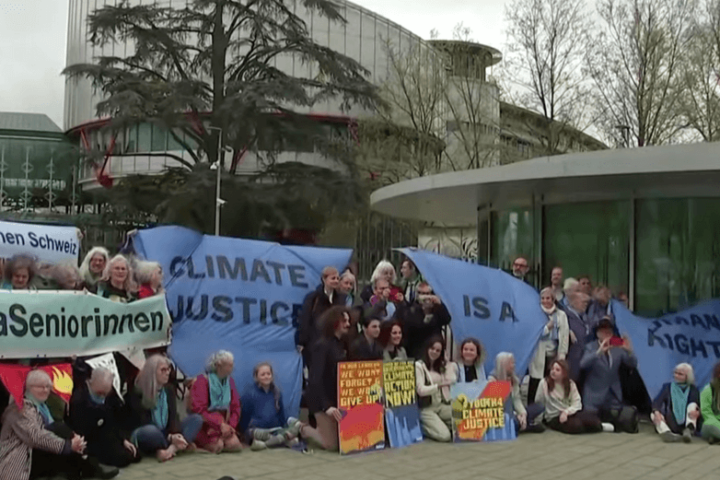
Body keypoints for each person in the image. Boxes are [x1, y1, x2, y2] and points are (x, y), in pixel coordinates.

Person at [0, 369, 116, 480]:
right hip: (17, 460)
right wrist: (67, 445)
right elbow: (36, 436)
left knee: (62, 430)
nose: (45, 390)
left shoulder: (41, 405)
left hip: (35, 452)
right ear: (29, 388)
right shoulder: (20, 409)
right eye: (40, 387)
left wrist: (72, 437)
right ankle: (89, 466)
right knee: (61, 433)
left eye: (47, 386)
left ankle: (87, 465)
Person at [128, 355, 203, 461]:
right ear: (152, 372)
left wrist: (175, 434)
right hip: (149, 432)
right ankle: (175, 446)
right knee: (151, 431)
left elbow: (173, 416)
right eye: (163, 370)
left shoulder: (169, 390)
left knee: (196, 419)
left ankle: (171, 450)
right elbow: (143, 421)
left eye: (168, 369)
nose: (167, 373)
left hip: (167, 433)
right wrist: (170, 437)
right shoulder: (138, 392)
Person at [69, 367, 140, 468]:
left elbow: (115, 419)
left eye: (105, 394)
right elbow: (80, 428)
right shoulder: (78, 398)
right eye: (99, 393)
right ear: (91, 383)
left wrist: (123, 439)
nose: (102, 397)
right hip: (89, 438)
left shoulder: (110, 395)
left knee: (133, 454)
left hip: (108, 435)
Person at [580, 318, 638, 433]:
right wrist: (599, 352)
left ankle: (608, 426)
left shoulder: (617, 348)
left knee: (619, 422)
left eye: (609, 332)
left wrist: (630, 351)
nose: (607, 334)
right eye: (604, 332)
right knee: (589, 422)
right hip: (594, 395)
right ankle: (602, 426)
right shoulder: (590, 347)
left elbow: (632, 364)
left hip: (612, 396)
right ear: (598, 334)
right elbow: (583, 364)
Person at [305, 306, 351, 451]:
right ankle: (301, 428)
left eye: (348, 321)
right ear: (334, 322)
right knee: (331, 445)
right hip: (320, 401)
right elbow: (315, 380)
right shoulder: (322, 346)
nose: (348, 324)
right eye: (344, 321)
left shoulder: (341, 344)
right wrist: (326, 407)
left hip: (336, 399)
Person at [240, 362, 303, 451]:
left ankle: (265, 444)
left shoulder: (277, 392)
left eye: (268, 374)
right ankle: (282, 440)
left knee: (297, 424)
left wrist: (287, 427)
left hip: (275, 429)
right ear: (256, 377)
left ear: (272, 375)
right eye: (263, 374)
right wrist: (244, 434)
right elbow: (244, 417)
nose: (266, 376)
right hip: (256, 430)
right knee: (289, 439)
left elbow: (281, 415)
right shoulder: (249, 394)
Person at [189, 351, 242, 453]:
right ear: (219, 366)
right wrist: (219, 424)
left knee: (235, 445)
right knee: (218, 446)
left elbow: (236, 407)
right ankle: (202, 443)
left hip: (225, 424)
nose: (232, 368)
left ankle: (222, 438)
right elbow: (199, 410)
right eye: (229, 365)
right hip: (206, 424)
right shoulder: (202, 380)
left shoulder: (229, 381)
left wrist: (231, 426)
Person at [534, 360, 603, 434]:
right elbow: (539, 402)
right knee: (576, 426)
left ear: (564, 373)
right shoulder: (544, 383)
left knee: (594, 421)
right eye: (552, 369)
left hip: (569, 413)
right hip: (554, 416)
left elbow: (577, 403)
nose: (553, 372)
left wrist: (567, 412)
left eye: (557, 370)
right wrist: (538, 421)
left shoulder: (570, 384)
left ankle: (601, 426)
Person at [297, 266, 346, 365]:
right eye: (333, 278)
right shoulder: (313, 298)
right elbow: (305, 320)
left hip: (334, 346)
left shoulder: (341, 299)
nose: (336, 281)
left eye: (338, 278)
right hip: (315, 346)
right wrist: (302, 342)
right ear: (324, 279)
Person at [529, 287, 570, 403]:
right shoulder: (535, 314)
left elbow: (564, 335)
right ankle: (532, 410)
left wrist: (562, 355)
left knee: (551, 382)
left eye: (548, 298)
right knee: (535, 382)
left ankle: (550, 409)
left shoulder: (561, 315)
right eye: (543, 298)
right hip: (538, 353)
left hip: (553, 353)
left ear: (553, 299)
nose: (545, 301)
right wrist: (547, 328)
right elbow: (533, 333)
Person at [489, 353, 544, 433]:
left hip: (514, 413)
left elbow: (517, 400)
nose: (513, 365)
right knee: (513, 422)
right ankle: (527, 427)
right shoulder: (492, 380)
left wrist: (523, 414)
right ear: (503, 364)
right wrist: (515, 415)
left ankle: (522, 423)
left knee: (539, 406)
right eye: (511, 363)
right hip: (502, 415)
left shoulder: (513, 379)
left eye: (513, 363)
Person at [415, 336, 457, 442]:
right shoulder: (419, 365)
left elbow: (452, 380)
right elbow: (420, 390)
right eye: (432, 349)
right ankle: (421, 428)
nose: (434, 352)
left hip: (441, 405)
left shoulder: (441, 366)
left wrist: (447, 362)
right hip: (427, 408)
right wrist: (438, 386)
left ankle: (441, 424)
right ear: (427, 349)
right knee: (445, 436)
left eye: (438, 350)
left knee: (462, 419)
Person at [398, 282, 451, 360]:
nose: (425, 296)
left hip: (435, 350)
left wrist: (440, 304)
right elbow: (413, 325)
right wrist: (425, 312)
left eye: (427, 293)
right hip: (417, 350)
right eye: (421, 293)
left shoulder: (436, 308)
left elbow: (447, 319)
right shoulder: (411, 308)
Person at [652, 363, 700, 443]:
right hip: (671, 419)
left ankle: (688, 430)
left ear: (687, 377)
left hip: (687, 420)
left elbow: (699, 405)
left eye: (680, 374)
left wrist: (698, 412)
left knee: (693, 406)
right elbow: (657, 401)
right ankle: (666, 433)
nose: (676, 376)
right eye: (675, 373)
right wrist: (657, 413)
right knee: (654, 414)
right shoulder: (667, 387)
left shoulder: (693, 389)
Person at [562, 282, 588, 382]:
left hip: (585, 364)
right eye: (583, 302)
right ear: (573, 302)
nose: (585, 305)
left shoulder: (586, 317)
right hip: (571, 364)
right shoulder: (564, 316)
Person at [700, 362, 720, 444]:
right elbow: (706, 414)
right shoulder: (708, 390)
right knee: (712, 426)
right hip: (710, 423)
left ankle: (715, 438)